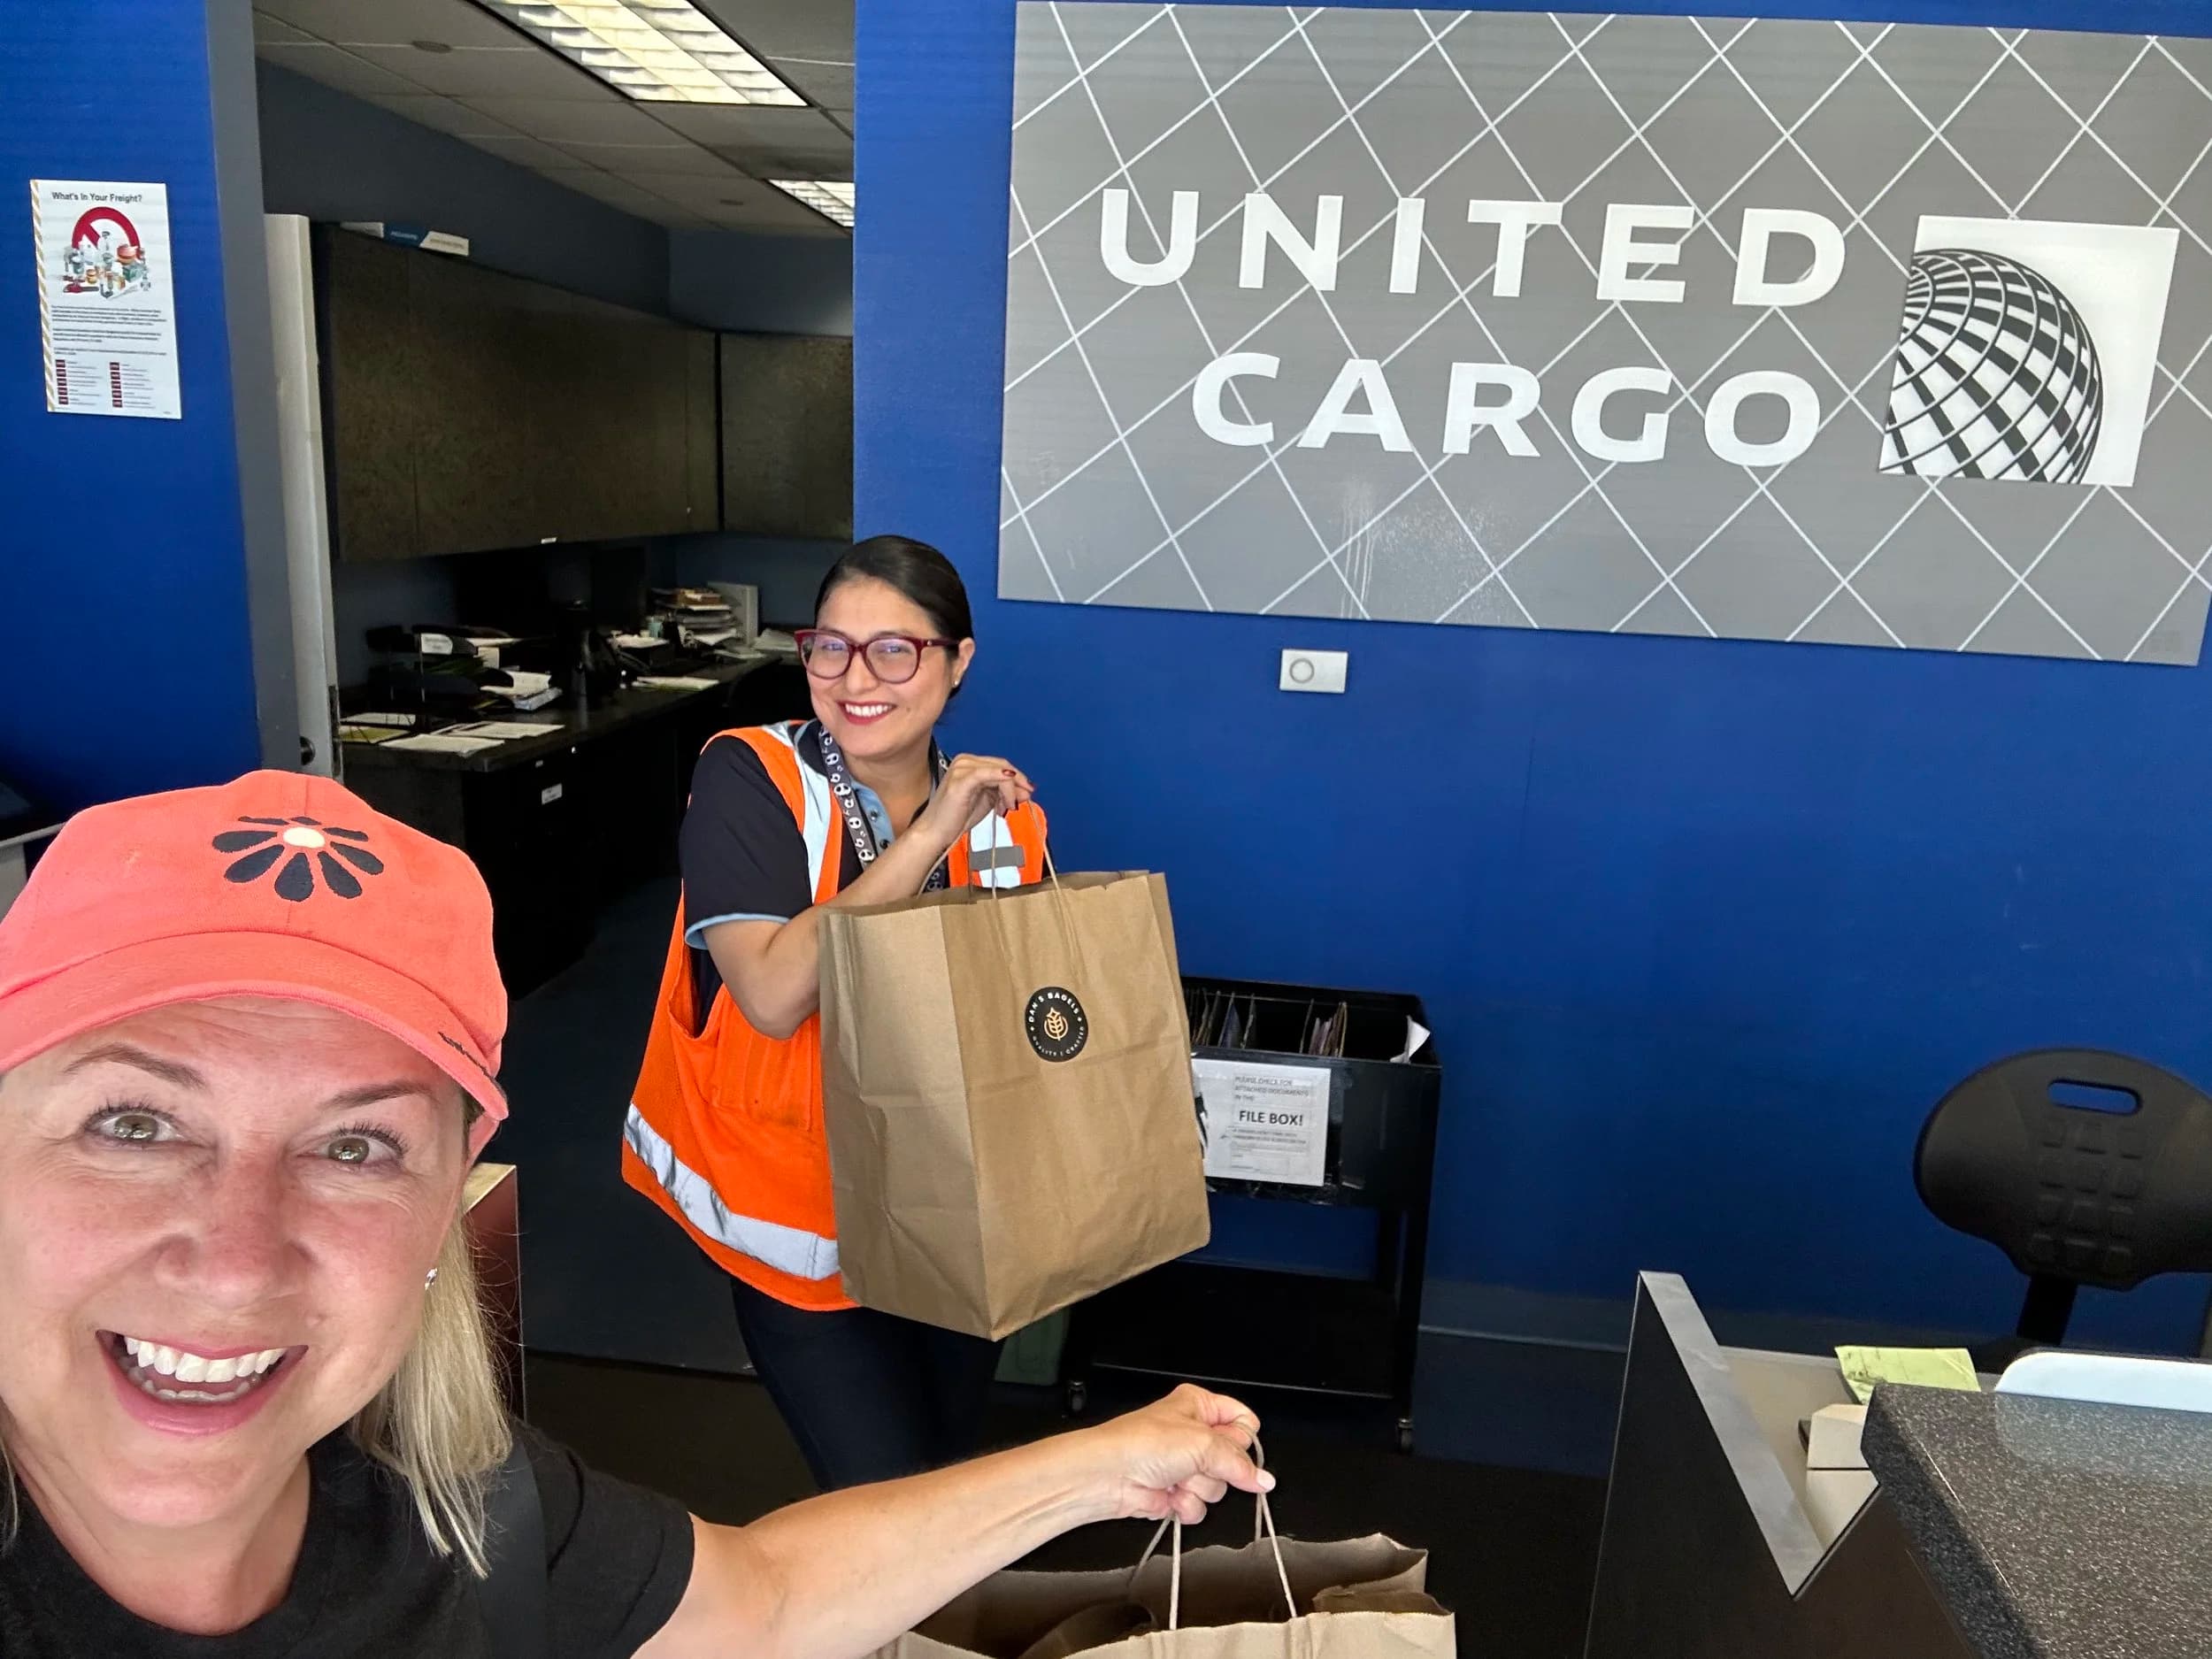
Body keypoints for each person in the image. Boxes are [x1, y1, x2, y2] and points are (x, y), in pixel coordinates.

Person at [0, 770, 1268, 1657]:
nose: (232, 1261)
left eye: (354, 1143)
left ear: (453, 1194)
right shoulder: (755, 784)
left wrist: (1113, 1458)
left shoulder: (465, 1511)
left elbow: (760, 1598)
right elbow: (769, 988)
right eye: (134, 1122)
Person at [626, 535, 1048, 1491]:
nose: (858, 678)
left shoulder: (1010, 817)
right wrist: (931, 831)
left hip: (950, 1217)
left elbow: (1013, 1013)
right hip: (799, 1215)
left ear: (957, 660)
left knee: (945, 1472)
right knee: (881, 1491)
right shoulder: (751, 776)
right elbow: (773, 994)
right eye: (831, 647)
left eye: (895, 649)